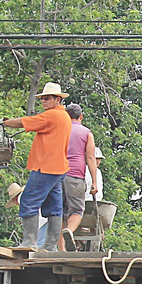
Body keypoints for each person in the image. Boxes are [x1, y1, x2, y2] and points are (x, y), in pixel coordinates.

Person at [2, 82, 73, 250]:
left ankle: (29, 242)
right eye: (42, 99)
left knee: (28, 201)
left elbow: (24, 122)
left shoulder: (52, 116)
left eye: (47, 99)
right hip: (58, 168)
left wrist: (5, 122)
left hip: (46, 167)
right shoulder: (64, 116)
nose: (43, 102)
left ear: (57, 99)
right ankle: (50, 246)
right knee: (54, 207)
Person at [59, 103, 98, 249]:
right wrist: (94, 182)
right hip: (75, 176)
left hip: (57, 176)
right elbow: (90, 158)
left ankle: (61, 250)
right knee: (76, 210)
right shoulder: (86, 133)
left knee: (59, 213)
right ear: (81, 116)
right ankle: (69, 230)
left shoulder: (60, 130)